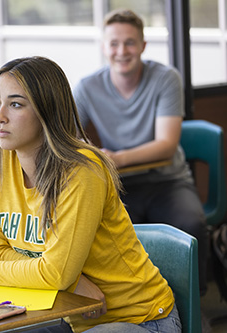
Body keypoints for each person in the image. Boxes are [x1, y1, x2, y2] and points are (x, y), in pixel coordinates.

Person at [0, 56, 182, 333]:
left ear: (48, 110)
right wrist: (72, 281)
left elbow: (49, 271)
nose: (0, 116)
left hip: (139, 318)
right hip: (69, 313)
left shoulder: (81, 170)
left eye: (16, 104)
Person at [72, 9, 208, 296]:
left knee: (190, 224)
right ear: (104, 47)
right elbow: (66, 137)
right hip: (119, 186)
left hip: (167, 181)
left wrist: (115, 158)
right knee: (101, 237)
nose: (122, 51)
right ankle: (136, 305)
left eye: (130, 43)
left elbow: (166, 145)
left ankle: (195, 304)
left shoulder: (165, 78)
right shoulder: (87, 86)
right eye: (114, 43)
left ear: (143, 46)